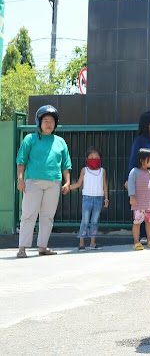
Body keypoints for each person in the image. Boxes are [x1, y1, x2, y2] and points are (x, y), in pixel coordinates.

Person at [16, 105, 72, 258]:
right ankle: (22, 248)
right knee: (29, 214)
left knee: (47, 216)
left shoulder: (60, 142)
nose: (49, 123)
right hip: (33, 181)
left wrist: (67, 182)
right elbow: (21, 160)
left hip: (54, 182)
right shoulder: (30, 139)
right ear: (39, 122)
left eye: (52, 121)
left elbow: (66, 164)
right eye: (45, 120)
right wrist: (20, 179)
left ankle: (42, 247)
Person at [127, 111, 150, 243]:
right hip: (141, 179)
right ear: (149, 124)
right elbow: (133, 160)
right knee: (139, 206)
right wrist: (128, 179)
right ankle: (141, 235)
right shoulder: (140, 140)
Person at [70, 147, 108, 251]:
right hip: (87, 197)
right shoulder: (84, 170)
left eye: (96, 157)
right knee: (85, 220)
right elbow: (78, 183)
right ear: (87, 158)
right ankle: (81, 243)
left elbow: (104, 185)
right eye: (91, 157)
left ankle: (92, 243)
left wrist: (106, 198)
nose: (94, 159)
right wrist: (67, 187)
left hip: (99, 198)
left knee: (95, 221)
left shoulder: (102, 171)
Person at [128, 148, 150, 251]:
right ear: (142, 160)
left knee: (149, 222)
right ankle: (136, 242)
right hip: (138, 203)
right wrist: (132, 197)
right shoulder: (134, 171)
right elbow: (131, 184)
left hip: (149, 204)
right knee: (137, 222)